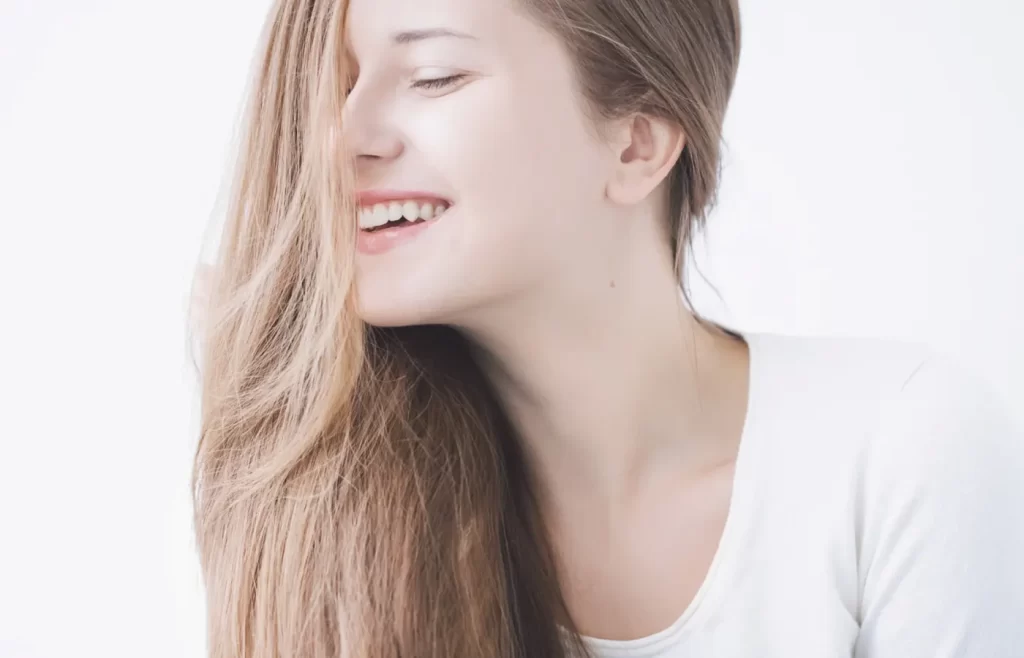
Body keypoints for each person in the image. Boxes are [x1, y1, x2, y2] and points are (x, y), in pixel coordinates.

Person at [187, 0, 1024, 656]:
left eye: (434, 76)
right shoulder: (325, 496)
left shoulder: (896, 450)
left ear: (636, 144)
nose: (340, 138)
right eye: (335, 85)